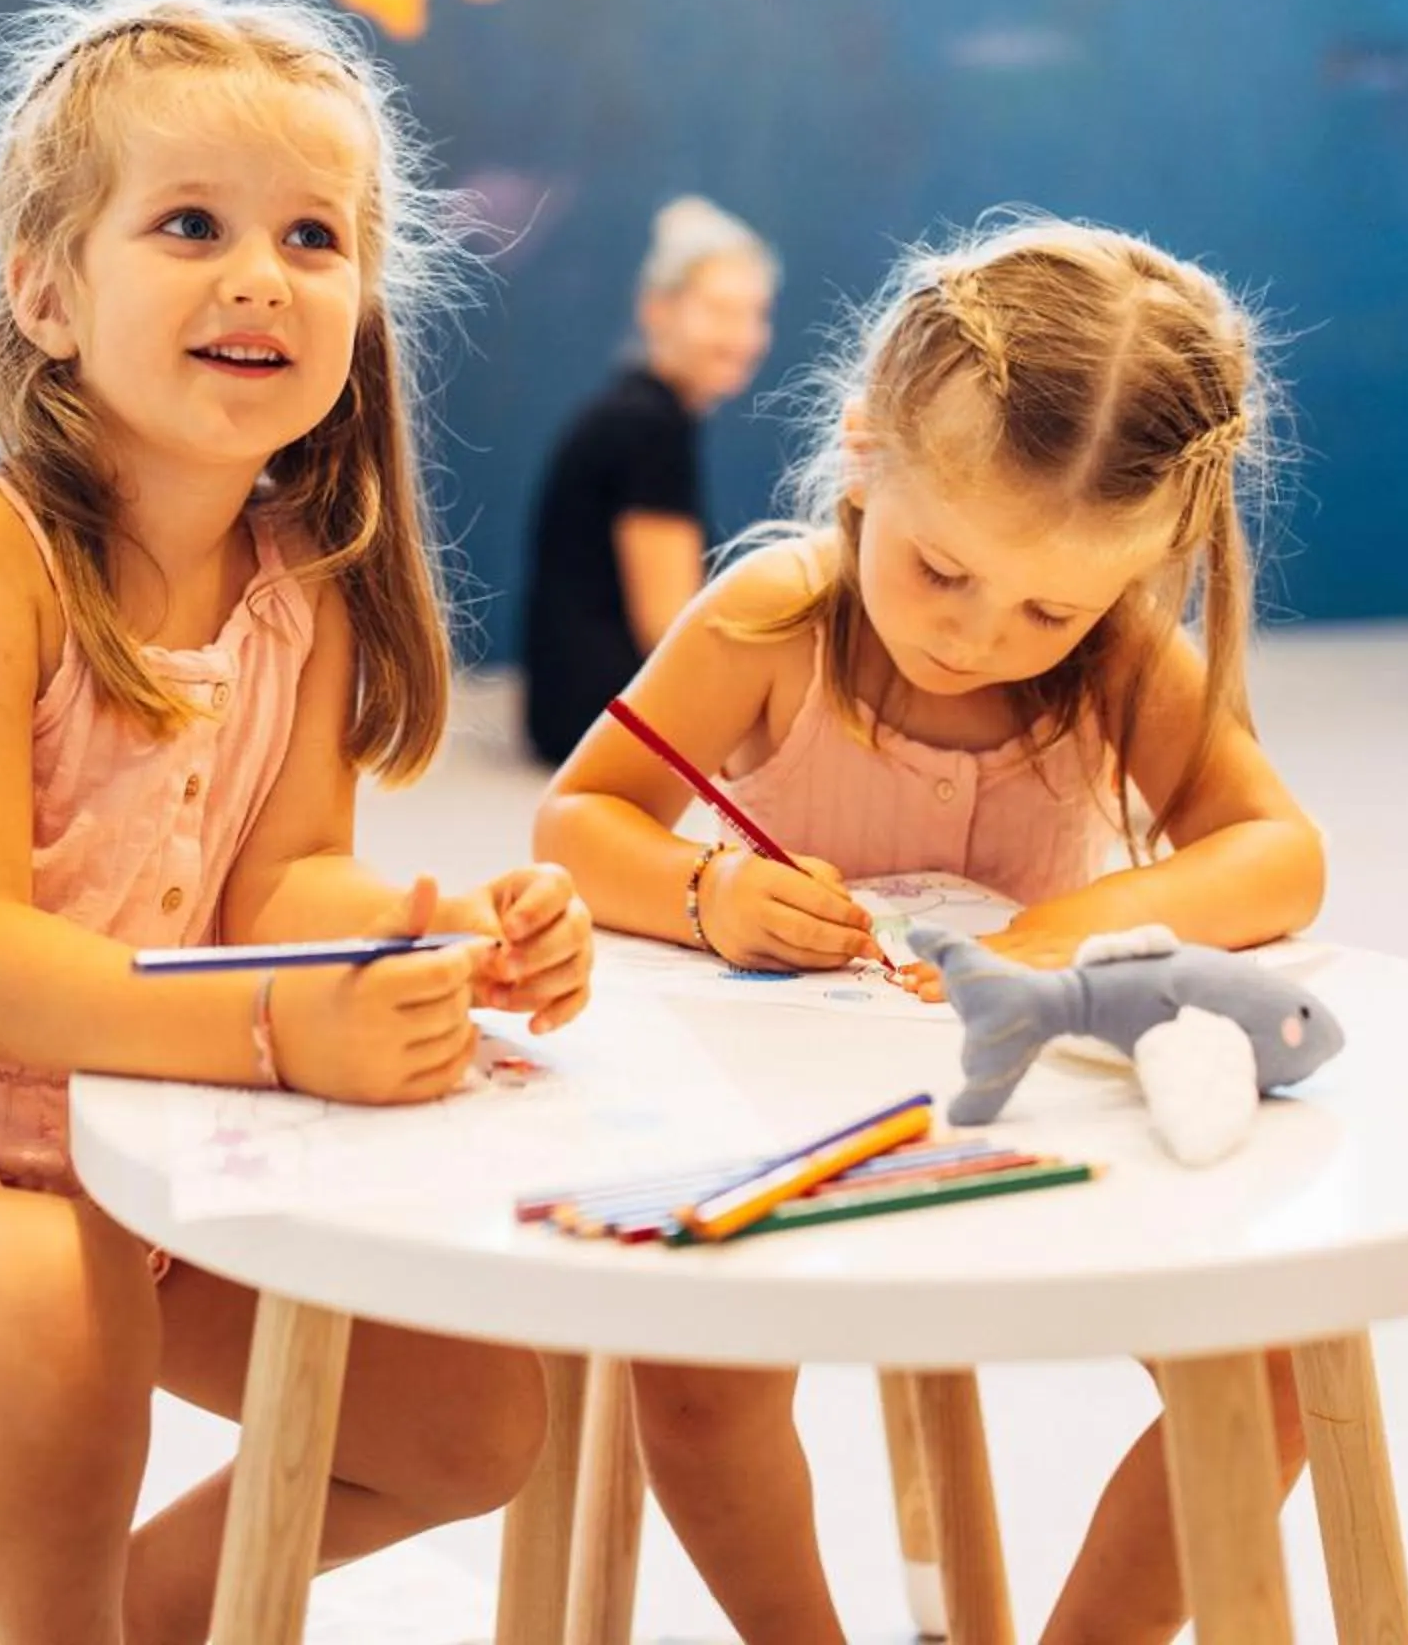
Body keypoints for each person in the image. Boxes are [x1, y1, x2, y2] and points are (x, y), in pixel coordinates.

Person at [0, 0, 595, 1645]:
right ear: (45, 291)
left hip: (121, 1150)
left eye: (314, 239)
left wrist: (431, 938)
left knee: (472, 1419)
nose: (259, 277)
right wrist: (291, 1038)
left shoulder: (309, 580)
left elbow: (285, 882)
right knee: (55, 1316)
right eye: (191, 224)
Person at [535, 215, 1325, 1645]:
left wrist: (1066, 928)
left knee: (1269, 1388)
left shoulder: (1115, 659)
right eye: (941, 570)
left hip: (1015, 1119)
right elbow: (581, 823)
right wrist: (707, 895)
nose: (978, 636)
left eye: (1050, 604)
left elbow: (1278, 853)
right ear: (862, 455)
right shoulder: (776, 619)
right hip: (781, 1125)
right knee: (697, 1379)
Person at [520, 195, 777, 763]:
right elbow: (667, 627)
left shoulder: (638, 411)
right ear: (657, 309)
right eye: (719, 310)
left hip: (566, 710)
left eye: (755, 314)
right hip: (593, 720)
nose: (744, 336)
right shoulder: (649, 428)